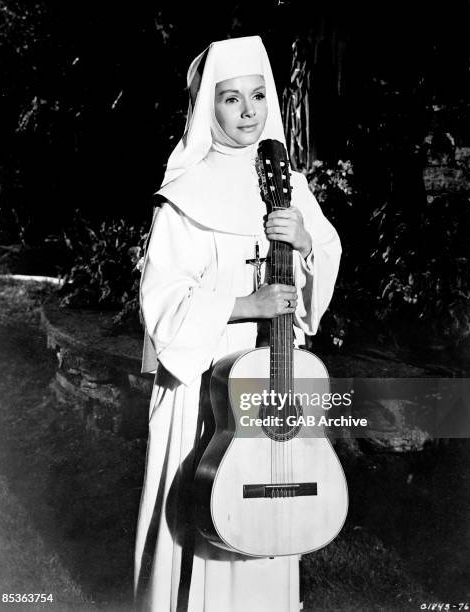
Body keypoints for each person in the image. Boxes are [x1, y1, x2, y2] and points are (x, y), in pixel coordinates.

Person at [134, 35, 342, 612]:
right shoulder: (185, 194)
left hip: (268, 376)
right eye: (231, 99)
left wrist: (303, 241)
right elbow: (165, 298)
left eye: (257, 96)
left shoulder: (286, 181)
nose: (248, 112)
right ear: (209, 107)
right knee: (196, 513)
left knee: (266, 504)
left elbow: (325, 252)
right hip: (202, 371)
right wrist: (246, 304)